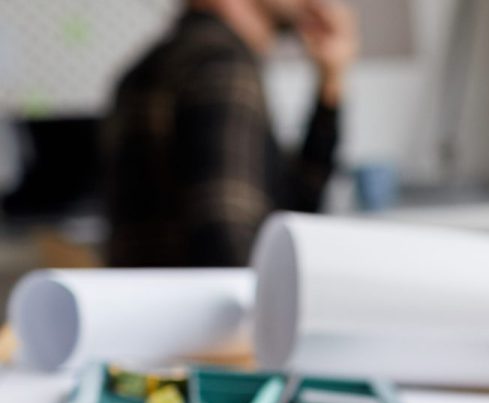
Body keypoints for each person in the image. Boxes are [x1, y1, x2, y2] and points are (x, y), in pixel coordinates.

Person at [103, 0, 359, 268]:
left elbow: (287, 218)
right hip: (208, 308)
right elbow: (228, 250)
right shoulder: (220, 64)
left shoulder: (149, 67)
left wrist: (330, 83)